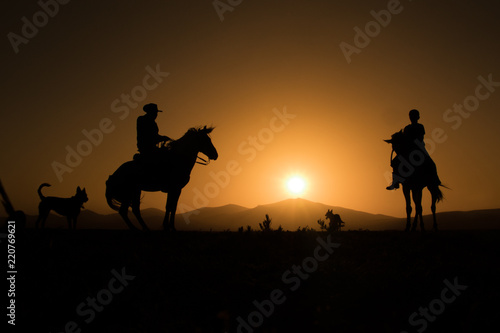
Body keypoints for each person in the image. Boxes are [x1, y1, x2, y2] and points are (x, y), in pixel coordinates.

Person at [386, 109, 425, 190]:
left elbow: (420, 138)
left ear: (418, 117)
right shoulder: (407, 128)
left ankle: (434, 178)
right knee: (395, 161)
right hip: (409, 149)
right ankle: (395, 182)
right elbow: (404, 138)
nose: (412, 118)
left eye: (414, 116)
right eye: (411, 116)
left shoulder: (420, 126)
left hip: (418, 149)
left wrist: (413, 143)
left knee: (429, 162)